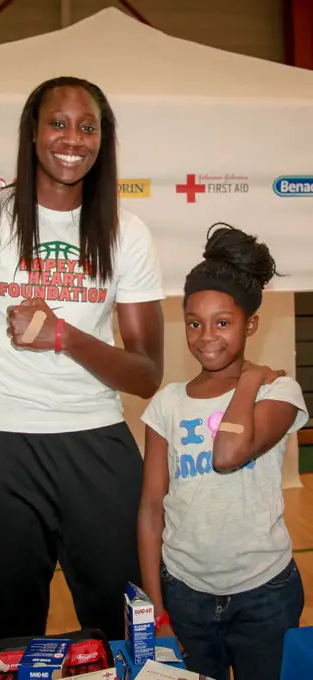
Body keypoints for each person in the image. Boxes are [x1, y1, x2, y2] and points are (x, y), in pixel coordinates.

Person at [0, 76, 164, 645]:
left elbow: (147, 374)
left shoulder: (125, 232)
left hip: (96, 440)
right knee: (9, 632)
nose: (73, 138)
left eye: (88, 127)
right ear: (32, 133)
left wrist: (65, 336)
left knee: (120, 625)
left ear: (103, 140)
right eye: (58, 123)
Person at [138, 223, 308, 680]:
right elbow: (152, 508)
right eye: (194, 323)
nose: (206, 335)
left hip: (264, 592)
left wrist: (249, 379)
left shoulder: (278, 391)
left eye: (223, 323)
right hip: (185, 592)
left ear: (251, 323)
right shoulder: (168, 403)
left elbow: (228, 453)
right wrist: (157, 607)